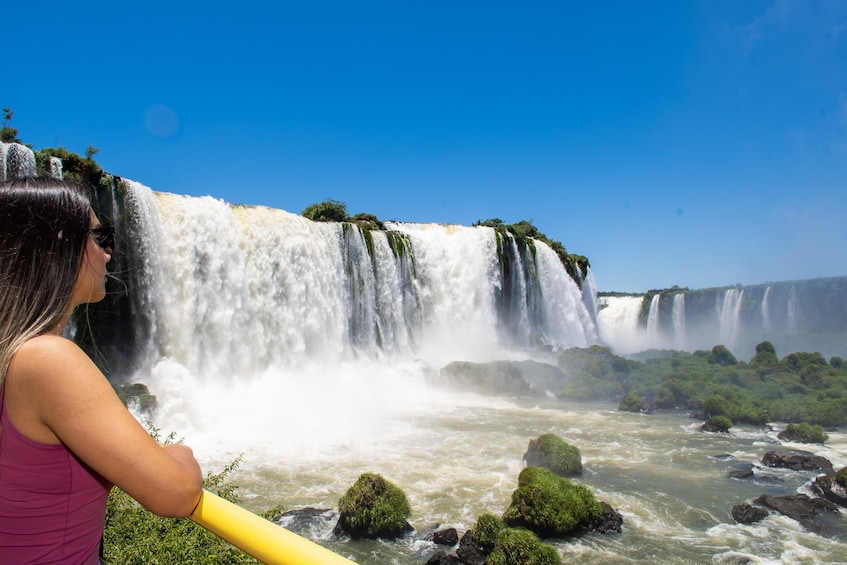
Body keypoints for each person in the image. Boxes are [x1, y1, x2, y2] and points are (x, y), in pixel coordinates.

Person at [0, 177, 203, 564]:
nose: (109, 254)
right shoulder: (48, 359)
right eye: (100, 237)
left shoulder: (13, 354)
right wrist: (179, 451)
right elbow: (176, 493)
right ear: (55, 248)